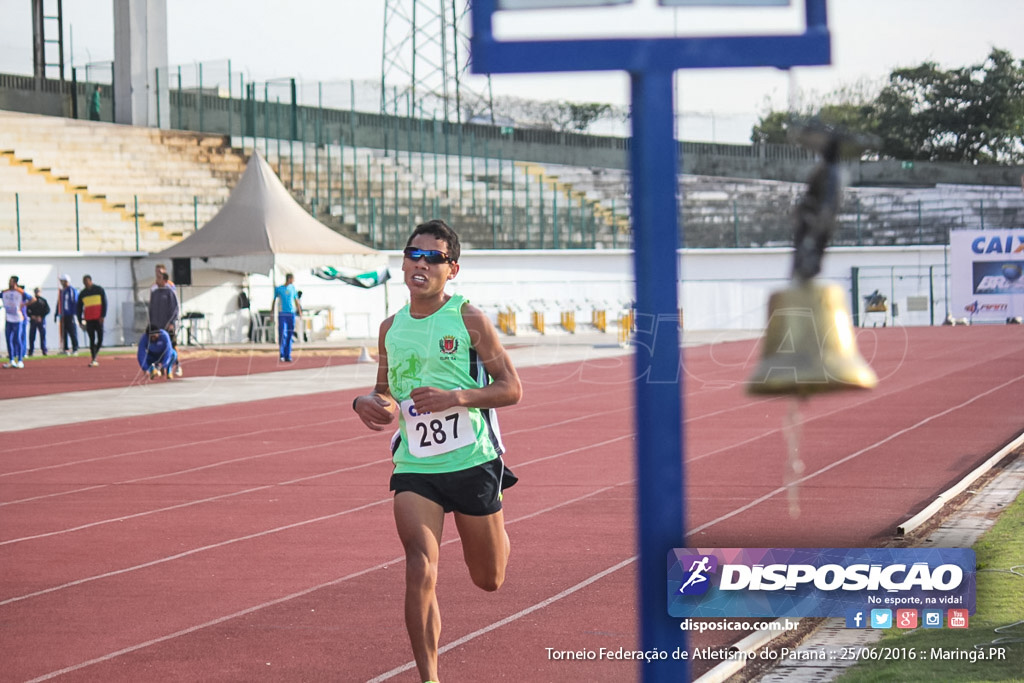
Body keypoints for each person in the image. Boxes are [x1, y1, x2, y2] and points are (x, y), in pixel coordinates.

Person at [352, 219, 523, 683]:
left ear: (453, 270)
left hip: (473, 462)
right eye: (413, 254)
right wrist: (368, 403)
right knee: (419, 565)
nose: (420, 263)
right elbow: (385, 394)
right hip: (416, 466)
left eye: (433, 258)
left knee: (490, 578)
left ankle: (498, 527)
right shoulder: (391, 328)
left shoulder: (469, 319)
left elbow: (512, 388)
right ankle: (429, 678)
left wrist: (458, 397)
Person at [149, 268, 182, 376]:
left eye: (159, 278)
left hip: (168, 326)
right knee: (158, 346)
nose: (157, 280)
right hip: (156, 326)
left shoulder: (169, 292)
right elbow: (151, 309)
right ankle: (161, 366)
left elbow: (175, 309)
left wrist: (172, 322)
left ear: (165, 280)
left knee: (172, 345)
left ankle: (177, 365)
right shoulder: (154, 293)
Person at [2, 276, 33, 369]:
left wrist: (24, 304)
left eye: (11, 281)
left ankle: (20, 360)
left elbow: (33, 299)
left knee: (17, 339)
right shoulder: (5, 292)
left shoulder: (20, 292)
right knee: (9, 339)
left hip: (18, 319)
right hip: (8, 318)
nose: (9, 283)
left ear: (15, 283)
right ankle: (11, 360)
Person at [77, 274, 107, 367]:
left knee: (100, 338)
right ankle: (93, 358)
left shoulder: (99, 290)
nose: (86, 284)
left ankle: (95, 353)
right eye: (84, 282)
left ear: (90, 281)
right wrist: (80, 319)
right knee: (92, 339)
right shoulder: (82, 293)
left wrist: (103, 316)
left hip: (98, 318)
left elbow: (105, 303)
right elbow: (79, 307)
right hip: (89, 319)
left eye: (87, 282)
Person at [271, 273, 301, 362]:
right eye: (292, 279)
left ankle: (288, 354)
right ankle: (282, 354)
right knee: (282, 333)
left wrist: (299, 311)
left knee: (289, 334)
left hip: (291, 314)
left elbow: (296, 300)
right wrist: (272, 312)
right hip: (283, 314)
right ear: (289, 279)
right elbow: (274, 301)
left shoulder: (293, 288)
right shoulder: (279, 289)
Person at [55, 274, 80, 356]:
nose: (61, 282)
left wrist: (75, 313)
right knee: (64, 332)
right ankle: (65, 349)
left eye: (62, 281)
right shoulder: (62, 291)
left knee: (72, 331)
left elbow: (75, 302)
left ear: (66, 281)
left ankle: (75, 348)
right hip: (63, 315)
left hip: (71, 315)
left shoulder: (72, 290)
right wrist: (57, 313)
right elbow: (59, 303)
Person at [27, 287, 50, 356]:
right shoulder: (31, 300)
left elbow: (47, 310)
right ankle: (31, 351)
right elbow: (27, 310)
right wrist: (31, 316)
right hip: (33, 320)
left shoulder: (43, 300)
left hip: (41, 320)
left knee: (42, 335)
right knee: (32, 336)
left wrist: (41, 316)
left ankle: (44, 350)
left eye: (38, 291)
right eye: (36, 291)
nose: (37, 292)